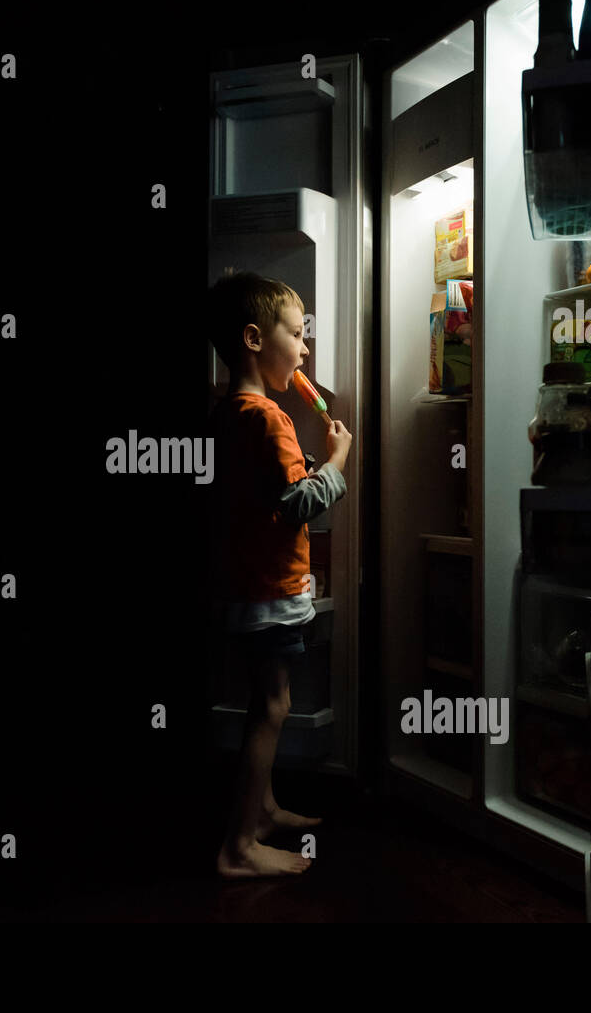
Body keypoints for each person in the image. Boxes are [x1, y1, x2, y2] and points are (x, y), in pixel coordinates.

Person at [206, 271, 351, 878]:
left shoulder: (228, 411)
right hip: (270, 591)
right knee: (274, 704)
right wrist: (340, 460)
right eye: (297, 333)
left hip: (243, 587)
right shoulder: (269, 418)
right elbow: (298, 504)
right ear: (254, 339)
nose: (306, 348)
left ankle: (262, 811)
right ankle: (239, 848)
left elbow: (262, 493)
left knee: (266, 699)